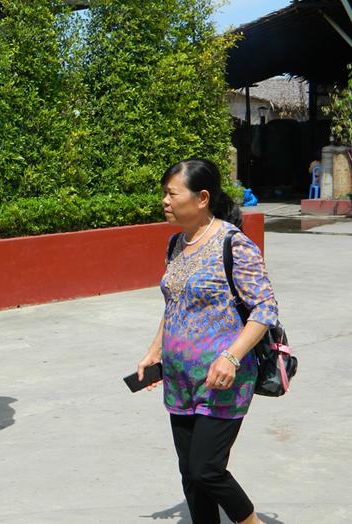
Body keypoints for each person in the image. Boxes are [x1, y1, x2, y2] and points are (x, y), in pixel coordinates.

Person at [136, 158, 276, 524]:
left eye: (171, 193)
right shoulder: (175, 244)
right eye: (164, 193)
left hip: (223, 379)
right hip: (180, 380)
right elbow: (174, 304)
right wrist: (154, 350)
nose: (164, 201)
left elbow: (264, 308)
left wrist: (231, 357)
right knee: (190, 474)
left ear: (201, 198)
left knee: (207, 469)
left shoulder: (234, 244)